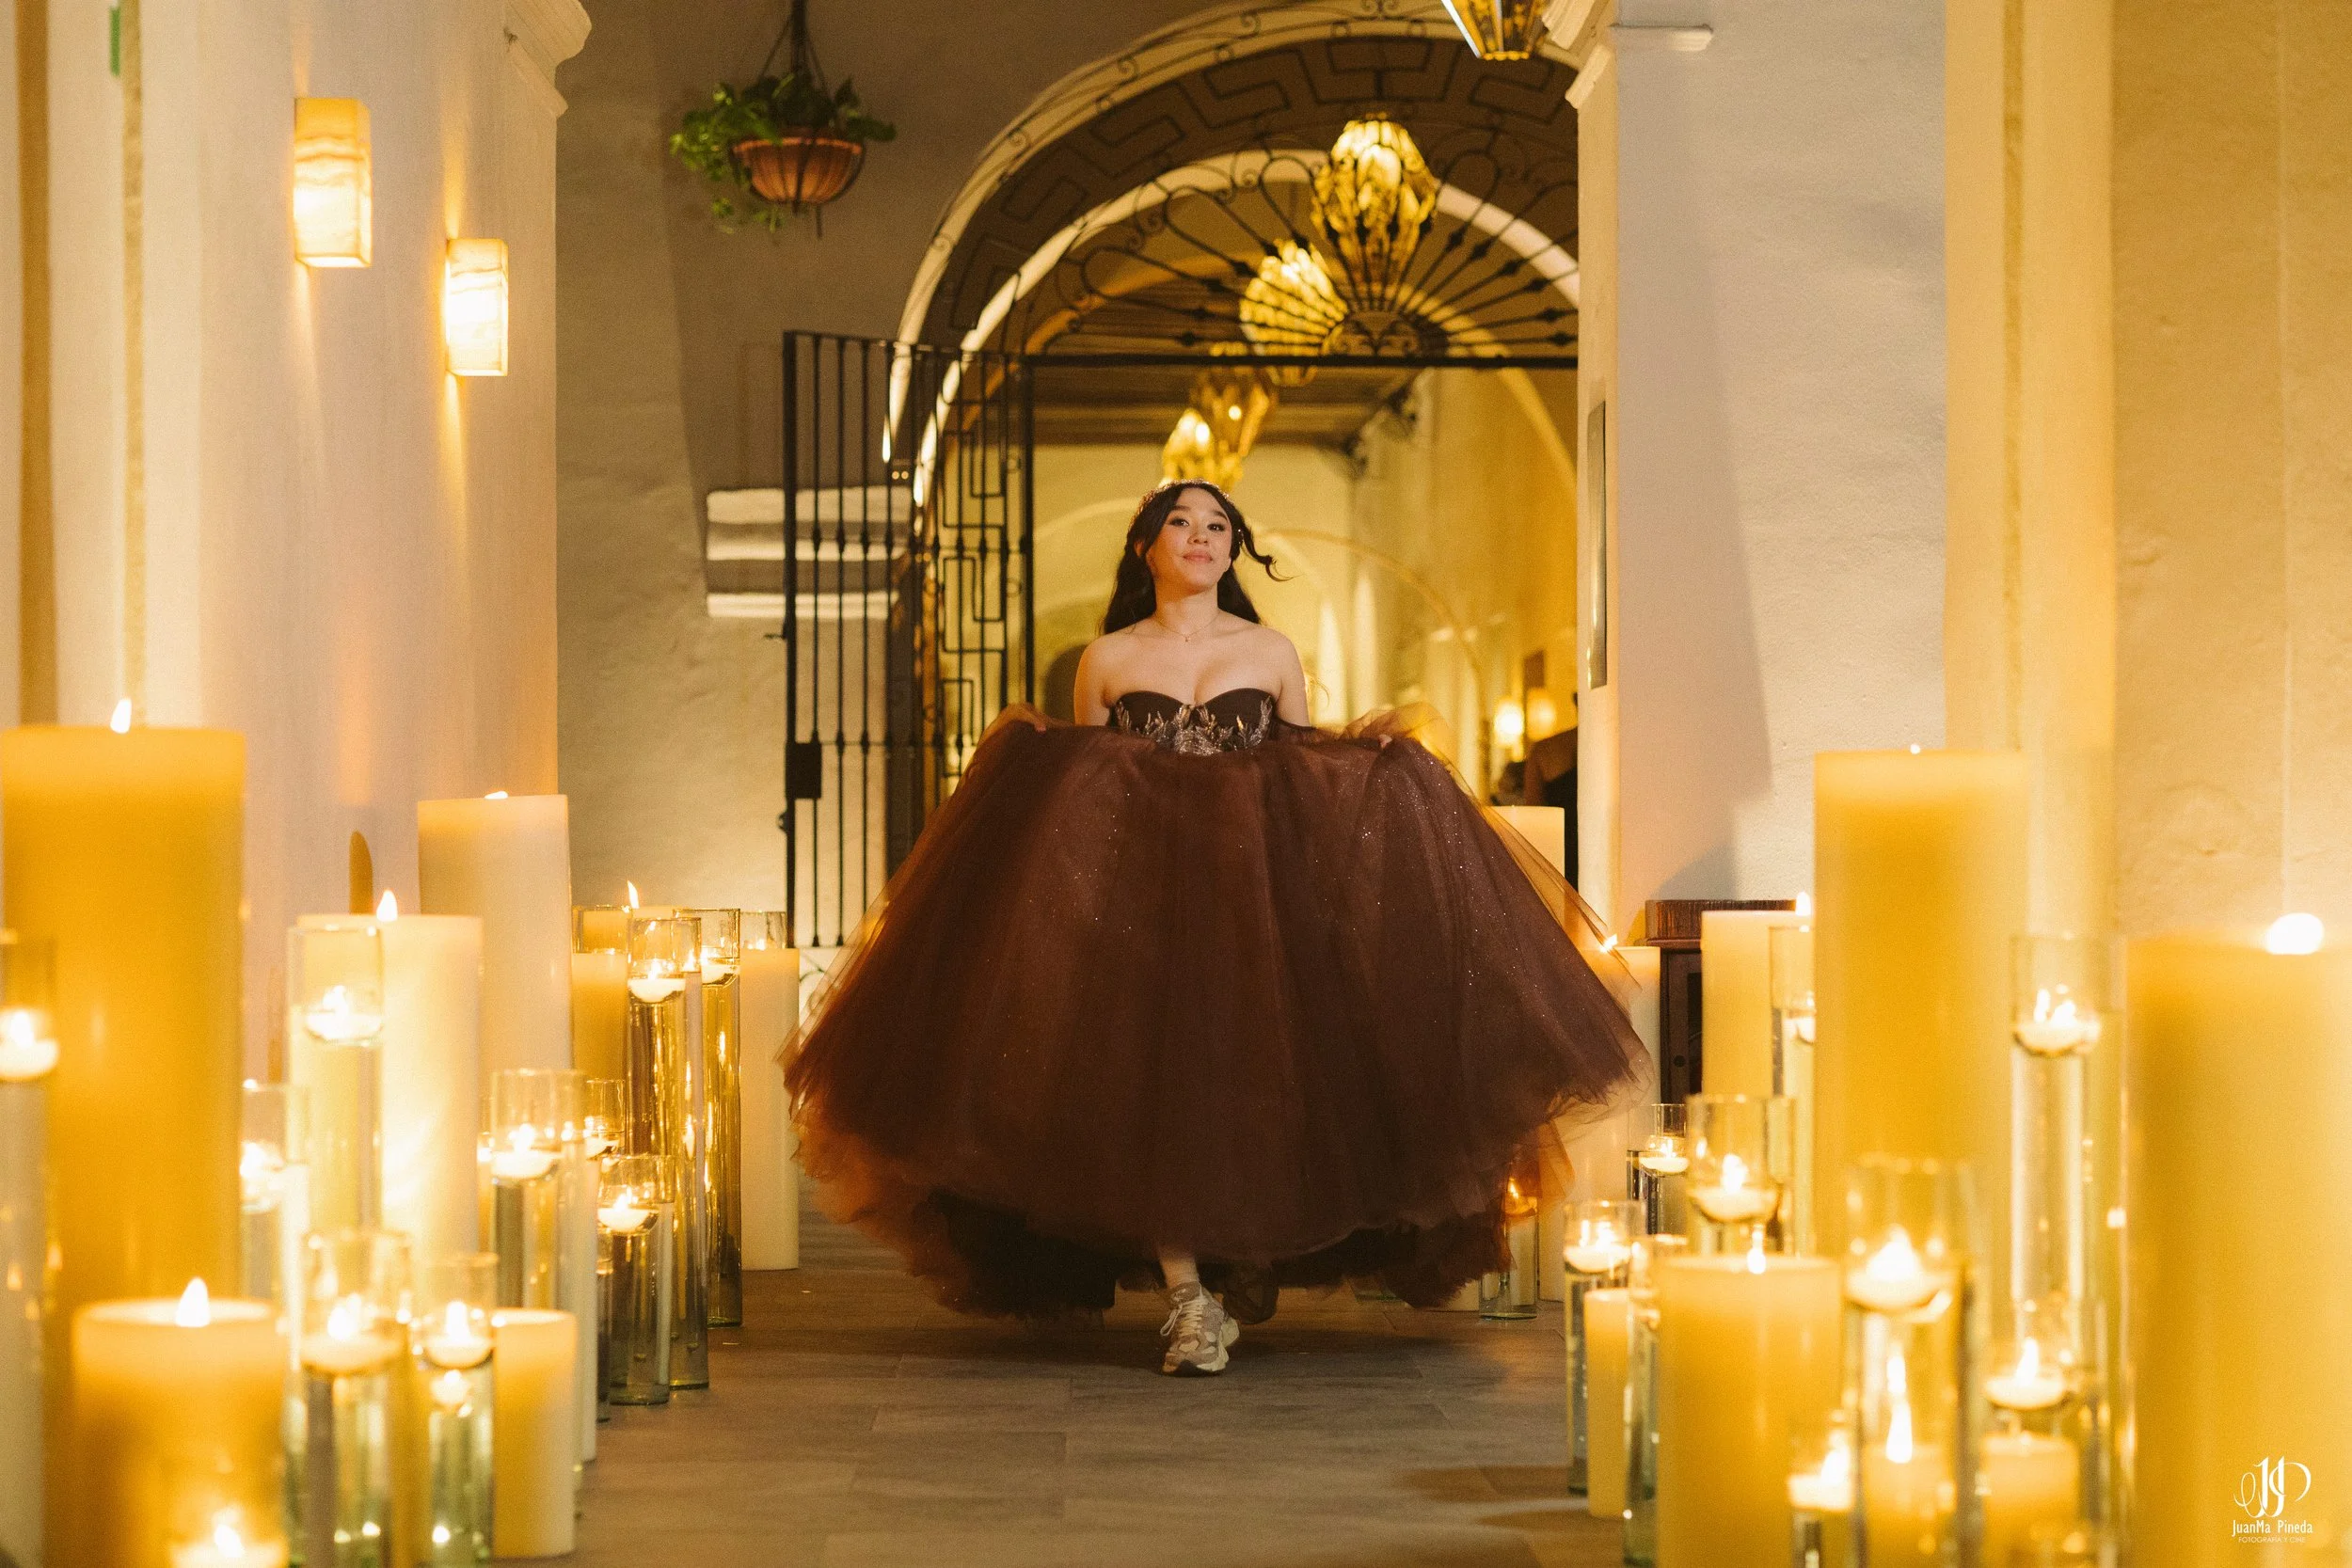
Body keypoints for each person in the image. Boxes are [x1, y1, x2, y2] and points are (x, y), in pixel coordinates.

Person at [785, 479, 1644, 1375]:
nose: (1200, 536)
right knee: (1142, 1091)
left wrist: (1382, 774)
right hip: (1142, 909)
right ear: (1146, 546)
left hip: (1253, 903)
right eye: (1180, 523)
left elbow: (1307, 777)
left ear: (1234, 550)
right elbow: (1084, 803)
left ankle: (1237, 1258)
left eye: (1218, 525)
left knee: (1248, 1086)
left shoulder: (1270, 650)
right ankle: (1190, 1297)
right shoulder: (1107, 658)